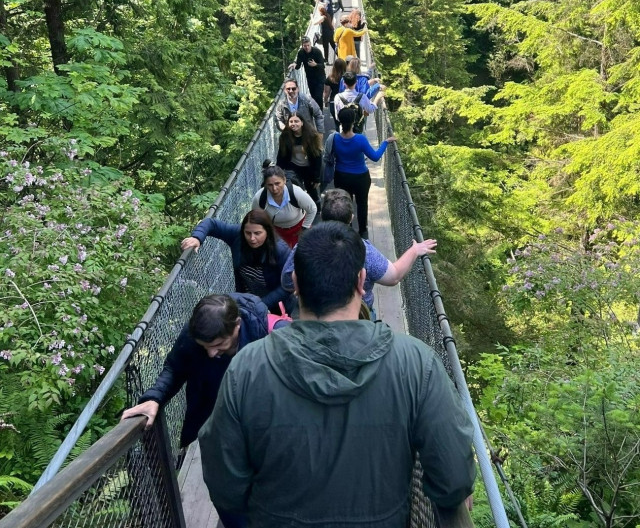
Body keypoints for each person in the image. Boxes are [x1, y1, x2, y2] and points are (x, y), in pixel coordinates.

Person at [199, 222, 476, 527]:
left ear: (295, 281)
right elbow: (452, 477)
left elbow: (225, 483)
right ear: (361, 281)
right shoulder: (416, 363)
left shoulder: (247, 368)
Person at [121, 292, 289, 528]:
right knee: (225, 491)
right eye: (206, 347)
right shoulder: (194, 337)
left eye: (219, 345)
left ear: (237, 326)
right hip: (217, 427)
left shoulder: (268, 334)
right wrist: (155, 397)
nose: (211, 353)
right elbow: (175, 368)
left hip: (261, 429)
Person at [281, 189, 437, 320]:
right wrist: (414, 250)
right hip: (358, 316)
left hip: (314, 313)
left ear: (322, 216)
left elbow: (287, 281)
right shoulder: (364, 251)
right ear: (351, 218)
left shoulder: (305, 245)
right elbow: (394, 276)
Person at [181, 210, 294, 312]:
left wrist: (261, 304)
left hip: (278, 305)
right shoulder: (237, 235)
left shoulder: (280, 250)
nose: (252, 238)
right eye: (248, 233)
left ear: (267, 231)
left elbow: (288, 285)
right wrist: (197, 237)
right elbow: (211, 223)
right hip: (247, 300)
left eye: (257, 233)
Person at [331, 106, 394, 238]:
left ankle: (346, 229)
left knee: (344, 203)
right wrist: (385, 143)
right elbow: (375, 157)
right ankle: (363, 231)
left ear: (339, 121)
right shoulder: (360, 139)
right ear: (353, 122)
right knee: (362, 203)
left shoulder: (334, 139)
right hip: (360, 178)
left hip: (341, 176)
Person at [252, 164, 317, 247]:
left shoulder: (296, 192)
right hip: (276, 233)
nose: (274, 189)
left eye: (277, 183)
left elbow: (312, 209)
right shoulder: (259, 198)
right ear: (265, 184)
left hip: (299, 229)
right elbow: (256, 217)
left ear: (284, 180)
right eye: (270, 185)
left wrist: (304, 228)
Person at [276, 114, 322, 203]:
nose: (294, 124)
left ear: (302, 123)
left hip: (309, 167)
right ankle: (299, 209)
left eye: (296, 121)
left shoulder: (312, 136)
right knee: (295, 189)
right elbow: (281, 155)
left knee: (311, 189)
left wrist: (317, 178)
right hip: (293, 167)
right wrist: (278, 172)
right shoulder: (285, 137)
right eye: (291, 121)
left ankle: (316, 207)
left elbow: (317, 157)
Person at [288, 36, 326, 109]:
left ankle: (320, 114)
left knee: (318, 97)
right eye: (305, 46)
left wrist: (315, 65)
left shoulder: (317, 52)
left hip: (320, 78)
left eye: (308, 45)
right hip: (310, 78)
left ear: (310, 44)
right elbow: (298, 65)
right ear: (302, 46)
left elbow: (322, 66)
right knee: (314, 97)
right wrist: (294, 65)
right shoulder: (301, 53)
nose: (307, 47)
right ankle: (316, 112)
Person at [323, 58, 347, 131]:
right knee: (346, 124)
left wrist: (325, 101)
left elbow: (326, 93)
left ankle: (339, 139)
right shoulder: (347, 77)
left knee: (337, 124)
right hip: (345, 102)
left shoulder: (330, 78)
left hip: (334, 103)